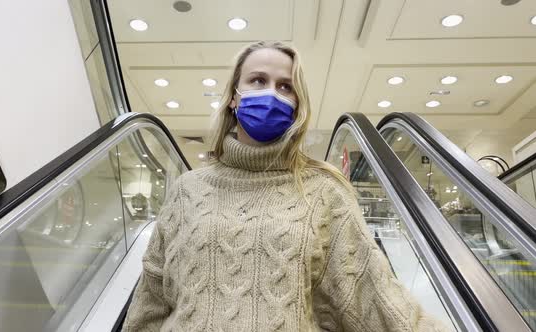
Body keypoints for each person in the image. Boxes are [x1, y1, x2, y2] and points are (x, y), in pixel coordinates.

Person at [122, 41, 449, 332]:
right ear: (235, 97)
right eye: (258, 80)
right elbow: (152, 299)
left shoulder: (324, 190)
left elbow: (369, 295)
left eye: (285, 87)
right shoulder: (187, 189)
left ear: (297, 104)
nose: (271, 94)